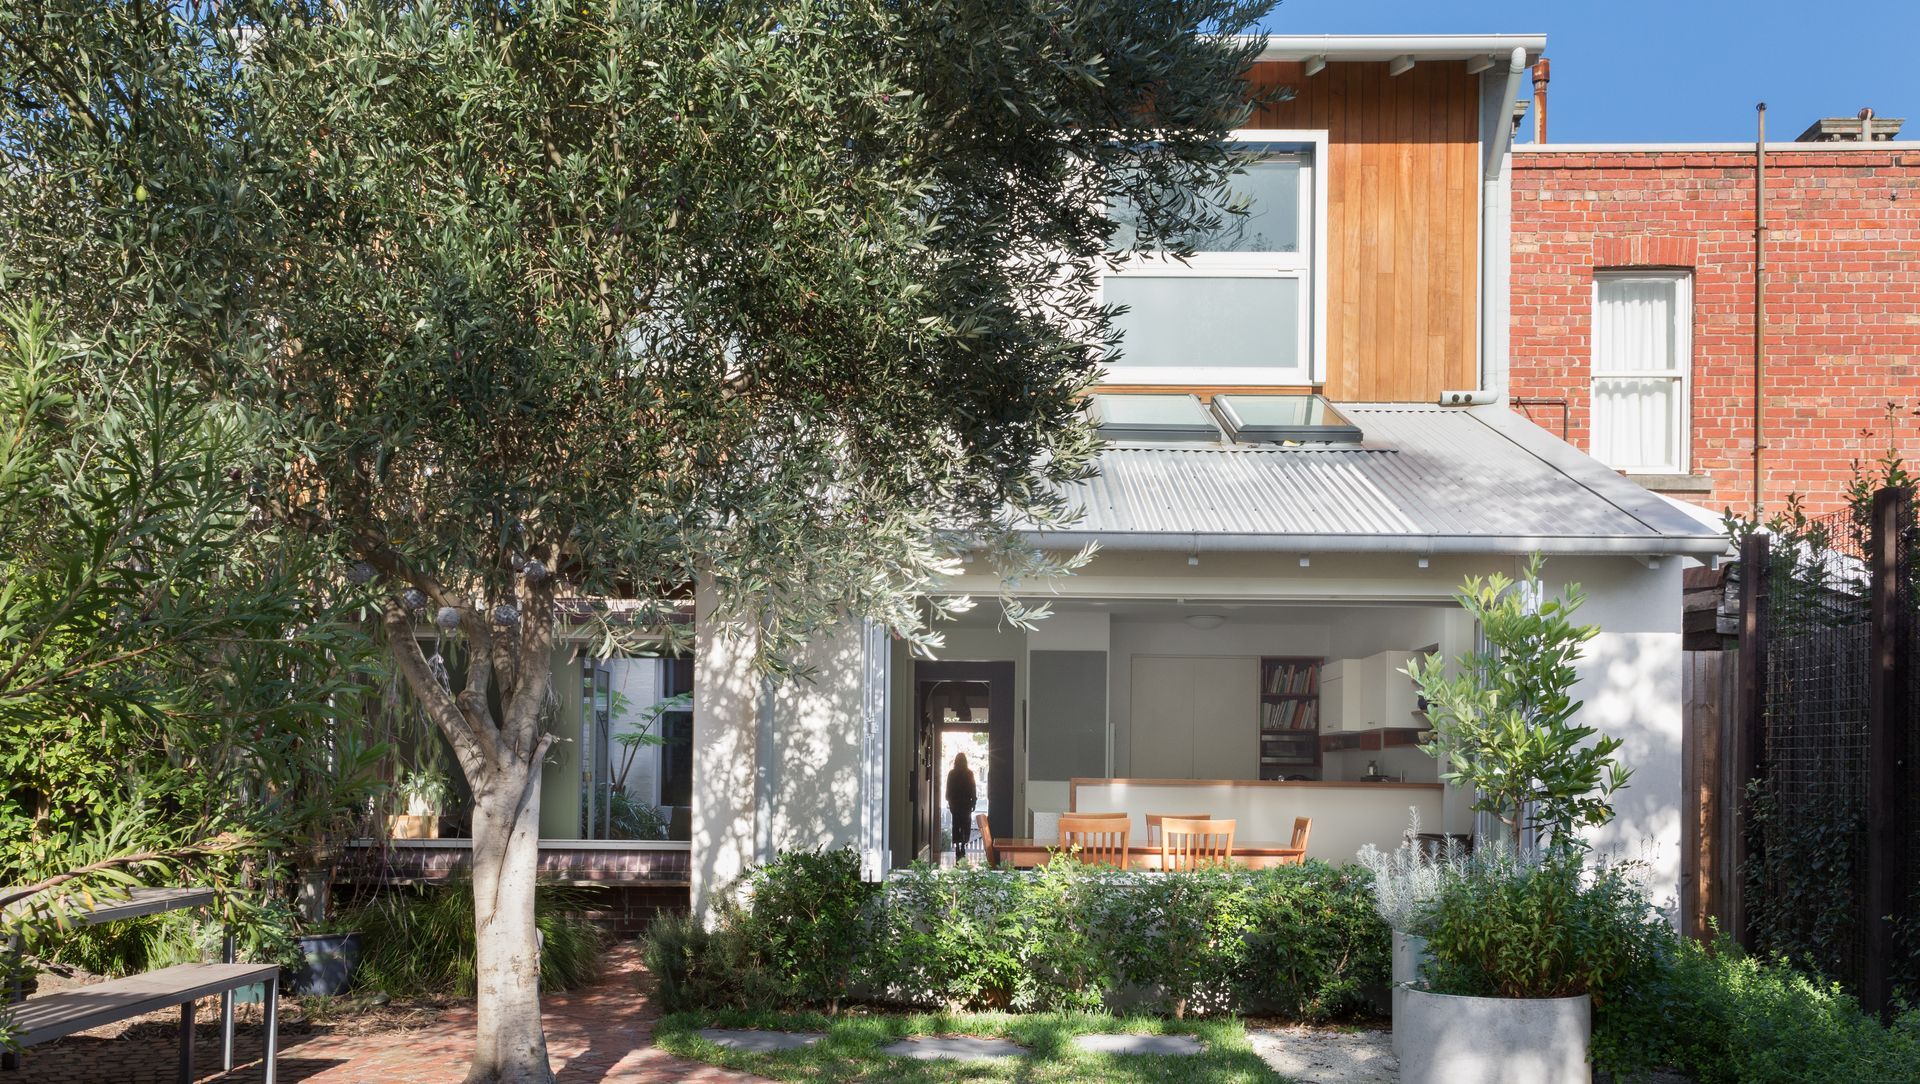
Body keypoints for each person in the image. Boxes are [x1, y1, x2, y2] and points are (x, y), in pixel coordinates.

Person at [946, 752, 977, 863]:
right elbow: (973, 788)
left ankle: (958, 845)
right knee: (965, 825)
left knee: (956, 825)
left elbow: (948, 788)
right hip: (966, 803)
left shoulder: (952, 773)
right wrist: (973, 802)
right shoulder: (969, 773)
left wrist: (949, 801)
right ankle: (963, 844)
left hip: (955, 803)